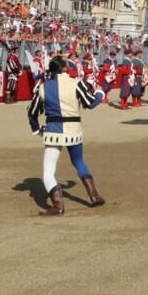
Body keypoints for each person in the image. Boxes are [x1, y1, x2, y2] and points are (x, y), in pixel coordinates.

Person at [27, 56, 106, 216]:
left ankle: (58, 206)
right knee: (78, 161)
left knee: (48, 172)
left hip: (53, 131)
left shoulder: (43, 87)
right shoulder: (76, 83)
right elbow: (90, 103)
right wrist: (99, 94)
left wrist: (36, 129)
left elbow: (32, 112)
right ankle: (94, 195)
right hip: (74, 130)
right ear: (64, 68)